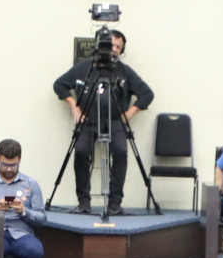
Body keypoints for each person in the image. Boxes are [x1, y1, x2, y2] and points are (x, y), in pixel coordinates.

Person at [53, 30, 152, 215]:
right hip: (89, 121)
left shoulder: (124, 71)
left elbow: (147, 94)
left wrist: (128, 114)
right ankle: (84, 201)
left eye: (117, 47)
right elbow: (59, 85)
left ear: (121, 50)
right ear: (99, 46)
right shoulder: (83, 68)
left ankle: (115, 202)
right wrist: (74, 106)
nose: (112, 50)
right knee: (81, 151)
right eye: (110, 45)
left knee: (121, 152)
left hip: (115, 122)